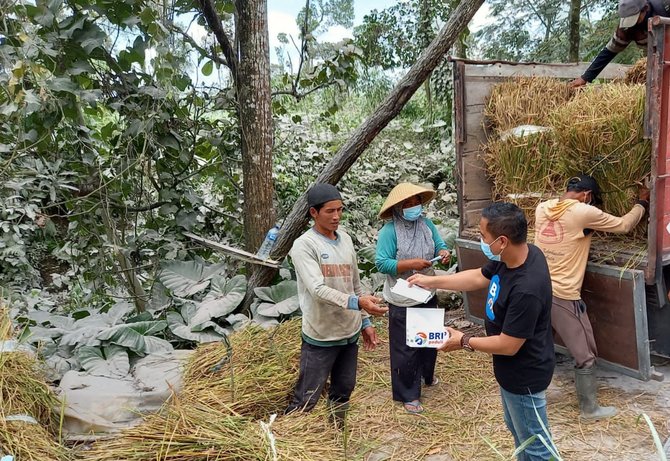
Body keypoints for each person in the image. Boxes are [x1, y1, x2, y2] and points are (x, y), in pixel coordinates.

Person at [408, 202, 556, 461]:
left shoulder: (526, 288)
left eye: (483, 236)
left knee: (536, 444)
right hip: (510, 371)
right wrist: (430, 281)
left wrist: (463, 340)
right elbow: (477, 277)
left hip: (525, 374)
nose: (481, 241)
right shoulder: (517, 256)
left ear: (501, 241)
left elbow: (510, 344)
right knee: (520, 434)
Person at [534, 174, 649, 420]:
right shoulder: (582, 212)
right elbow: (623, 225)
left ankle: (532, 396)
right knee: (585, 353)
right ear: (587, 195)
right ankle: (590, 409)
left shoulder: (542, 208)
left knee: (540, 345)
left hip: (538, 289)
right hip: (563, 295)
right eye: (592, 200)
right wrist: (643, 203)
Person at [285, 183, 388, 426]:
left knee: (344, 389)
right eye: (330, 211)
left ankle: (335, 431)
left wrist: (365, 321)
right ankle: (291, 435)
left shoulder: (346, 241)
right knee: (307, 396)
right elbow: (318, 290)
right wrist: (357, 302)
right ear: (313, 213)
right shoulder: (304, 245)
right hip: (321, 334)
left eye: (340, 210)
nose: (336, 216)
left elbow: (355, 283)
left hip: (349, 333)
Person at [375, 182, 451, 414]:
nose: (413, 206)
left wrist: (443, 253)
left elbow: (439, 244)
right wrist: (411, 264)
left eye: (416, 201)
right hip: (403, 296)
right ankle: (408, 393)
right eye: (407, 203)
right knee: (405, 347)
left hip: (427, 291)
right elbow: (382, 262)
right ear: (398, 208)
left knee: (428, 340)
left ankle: (426, 376)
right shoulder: (389, 231)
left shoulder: (426, 224)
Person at [570, 0, 670, 88]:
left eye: (635, 19)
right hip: (659, 62)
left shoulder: (665, 7)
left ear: (645, 9)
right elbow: (609, 52)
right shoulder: (628, 28)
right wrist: (585, 77)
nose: (632, 24)